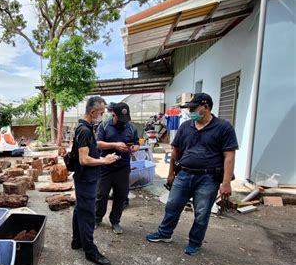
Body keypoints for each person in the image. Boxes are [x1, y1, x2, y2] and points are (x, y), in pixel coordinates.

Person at [146, 93, 238, 255]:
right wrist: (171, 173)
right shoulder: (186, 126)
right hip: (184, 174)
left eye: (194, 108)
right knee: (172, 206)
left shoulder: (223, 127)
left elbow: (229, 156)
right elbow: (176, 151)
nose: (191, 112)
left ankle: (195, 242)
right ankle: (165, 233)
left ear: (206, 107)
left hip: (208, 178)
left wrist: (226, 182)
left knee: (202, 212)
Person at [61, 96, 119, 265]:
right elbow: (84, 160)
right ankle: (90, 251)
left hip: (85, 178)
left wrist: (103, 156)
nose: (102, 116)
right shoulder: (85, 130)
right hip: (86, 179)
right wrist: (104, 161)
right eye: (101, 112)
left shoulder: (85, 127)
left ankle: (77, 240)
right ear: (93, 112)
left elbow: (89, 154)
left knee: (80, 210)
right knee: (88, 215)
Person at [95, 102, 139, 234]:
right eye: (120, 118)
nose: (123, 122)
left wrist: (133, 148)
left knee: (120, 195)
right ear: (113, 114)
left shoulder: (131, 127)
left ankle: (115, 221)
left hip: (123, 167)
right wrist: (114, 145)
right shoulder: (104, 125)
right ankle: (97, 218)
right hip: (105, 167)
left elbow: (137, 143)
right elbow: (98, 144)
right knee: (101, 194)